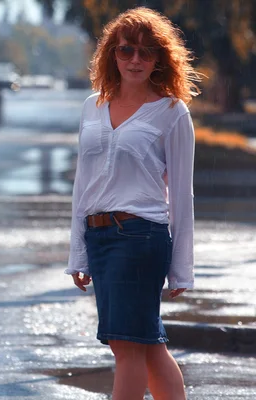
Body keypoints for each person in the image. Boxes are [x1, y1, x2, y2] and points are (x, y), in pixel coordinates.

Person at [65, 7, 202, 400]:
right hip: (100, 237)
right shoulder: (91, 106)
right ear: (113, 55)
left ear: (160, 58)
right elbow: (82, 184)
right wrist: (78, 252)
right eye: (127, 51)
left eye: (146, 52)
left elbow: (181, 196)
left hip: (140, 238)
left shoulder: (173, 113)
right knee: (144, 345)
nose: (136, 60)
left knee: (127, 348)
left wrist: (181, 270)